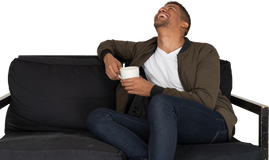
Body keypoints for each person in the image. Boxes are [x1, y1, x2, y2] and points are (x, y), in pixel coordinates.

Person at [86, 1, 239, 160]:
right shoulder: (144, 47)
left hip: (211, 123)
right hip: (163, 124)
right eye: (158, 9)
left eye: (170, 8)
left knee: (160, 101)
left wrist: (151, 90)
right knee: (98, 117)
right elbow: (105, 41)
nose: (161, 9)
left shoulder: (205, 50)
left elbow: (205, 100)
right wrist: (108, 57)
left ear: (184, 24)